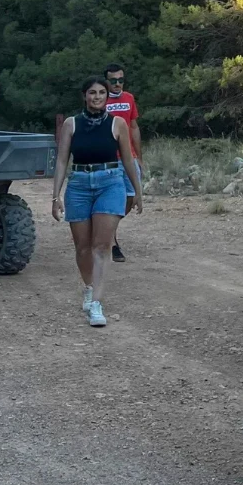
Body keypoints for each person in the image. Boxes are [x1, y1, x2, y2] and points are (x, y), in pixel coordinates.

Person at [53, 75, 143, 326]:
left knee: (101, 246)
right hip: (79, 184)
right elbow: (61, 161)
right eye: (92, 93)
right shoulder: (71, 124)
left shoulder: (117, 124)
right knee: (82, 247)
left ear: (107, 96)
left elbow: (128, 160)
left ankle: (96, 304)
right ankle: (89, 287)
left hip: (110, 182)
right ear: (85, 96)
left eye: (102, 93)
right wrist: (55, 196)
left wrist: (137, 191)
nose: (97, 97)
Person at [104, 63, 141, 263]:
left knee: (132, 196)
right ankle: (112, 242)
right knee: (112, 199)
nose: (117, 84)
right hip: (109, 158)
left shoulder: (129, 98)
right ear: (106, 81)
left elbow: (133, 127)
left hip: (129, 157)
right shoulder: (100, 99)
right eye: (113, 80)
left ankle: (107, 230)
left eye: (121, 80)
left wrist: (139, 157)